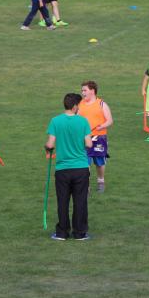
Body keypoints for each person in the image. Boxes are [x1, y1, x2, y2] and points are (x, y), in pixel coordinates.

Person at [45, 93, 93, 240]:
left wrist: (47, 149)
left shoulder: (55, 121)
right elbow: (89, 144)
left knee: (63, 201)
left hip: (62, 169)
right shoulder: (83, 122)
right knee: (80, 201)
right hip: (80, 168)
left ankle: (62, 232)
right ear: (74, 106)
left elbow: (50, 144)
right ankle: (79, 233)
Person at [78, 81, 113, 193]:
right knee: (85, 162)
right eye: (82, 90)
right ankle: (86, 186)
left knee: (99, 162)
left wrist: (101, 126)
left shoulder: (102, 104)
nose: (82, 93)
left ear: (92, 91)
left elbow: (110, 120)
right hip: (84, 137)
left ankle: (101, 181)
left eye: (85, 90)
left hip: (99, 138)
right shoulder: (80, 104)